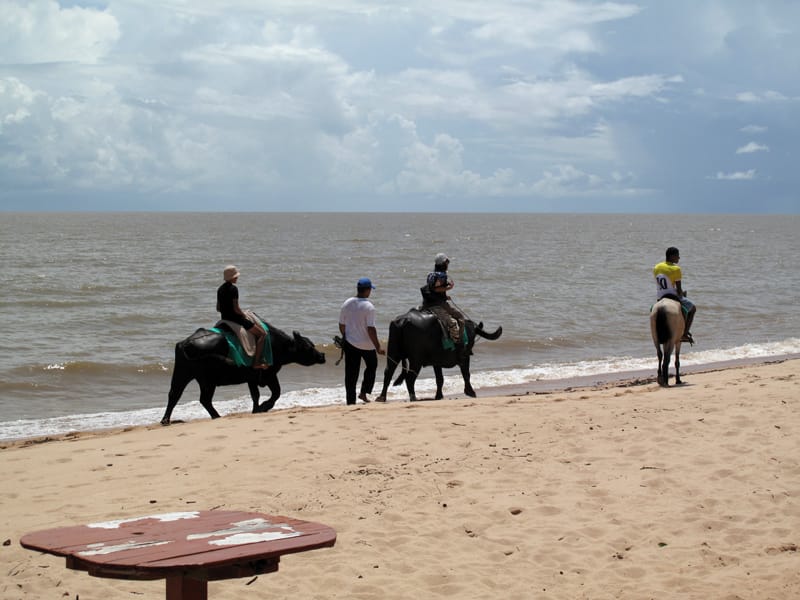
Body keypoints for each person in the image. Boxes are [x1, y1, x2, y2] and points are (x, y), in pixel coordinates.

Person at [338, 277, 385, 405]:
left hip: (350, 343)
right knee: (372, 366)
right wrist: (378, 347)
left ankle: (350, 401)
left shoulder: (347, 303)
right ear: (367, 290)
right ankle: (364, 392)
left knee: (351, 374)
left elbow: (341, 325)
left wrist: (346, 337)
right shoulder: (369, 306)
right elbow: (371, 329)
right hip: (367, 345)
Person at [216, 265, 269, 369]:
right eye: (236, 276)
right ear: (232, 277)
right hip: (236, 319)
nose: (237, 278)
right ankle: (256, 362)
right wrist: (243, 314)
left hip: (224, 319)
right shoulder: (233, 289)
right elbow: (236, 309)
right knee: (262, 334)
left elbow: (218, 308)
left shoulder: (220, 289)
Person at [420, 253, 465, 346]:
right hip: (438, 304)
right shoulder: (442, 275)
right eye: (447, 263)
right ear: (443, 264)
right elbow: (436, 289)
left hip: (426, 303)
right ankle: (457, 342)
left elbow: (431, 290)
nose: (447, 265)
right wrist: (449, 288)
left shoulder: (430, 274)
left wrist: (445, 296)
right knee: (459, 318)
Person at [653, 247, 696, 344]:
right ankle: (684, 334)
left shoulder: (656, 267)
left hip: (660, 297)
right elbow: (679, 290)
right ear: (672, 256)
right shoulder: (676, 269)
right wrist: (682, 294)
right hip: (672, 296)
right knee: (693, 308)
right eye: (677, 256)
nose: (679, 258)